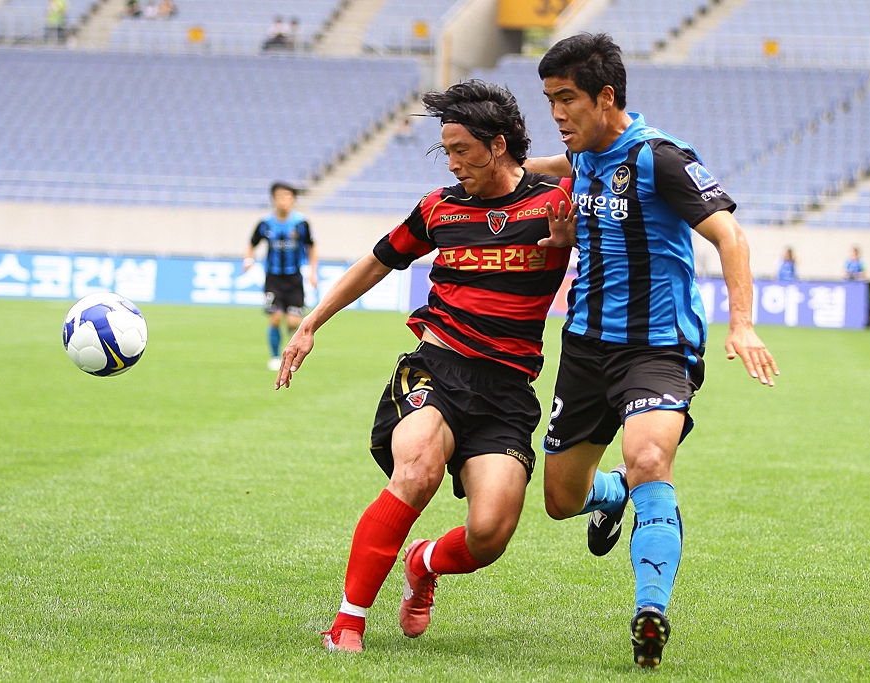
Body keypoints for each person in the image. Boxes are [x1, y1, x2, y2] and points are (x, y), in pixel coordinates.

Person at [276, 80, 573, 653]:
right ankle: (347, 624)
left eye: (462, 150)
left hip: (508, 390)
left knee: (490, 533)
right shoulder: (439, 207)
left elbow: (606, 160)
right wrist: (312, 322)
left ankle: (424, 562)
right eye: (447, 151)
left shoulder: (555, 202)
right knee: (415, 471)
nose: (453, 163)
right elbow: (376, 262)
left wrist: (571, 240)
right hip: (437, 367)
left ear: (498, 145)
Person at [524, 33, 778, 669]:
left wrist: (742, 324)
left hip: (658, 347)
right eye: (549, 99)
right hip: (585, 347)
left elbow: (731, 237)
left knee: (648, 458)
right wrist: (500, 167)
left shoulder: (661, 158)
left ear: (605, 97)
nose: (556, 113)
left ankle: (650, 612)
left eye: (566, 99)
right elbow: (552, 167)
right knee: (561, 500)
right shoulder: (581, 154)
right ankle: (611, 495)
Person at [244, 183, 318, 371]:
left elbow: (311, 247)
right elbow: (252, 243)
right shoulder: (266, 223)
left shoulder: (301, 223)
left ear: (292, 200)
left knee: (293, 323)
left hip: (294, 278)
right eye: (279, 197)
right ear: (273, 200)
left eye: (287, 197)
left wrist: (313, 271)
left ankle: (290, 348)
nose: (283, 201)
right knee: (275, 318)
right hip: (273, 278)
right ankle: (275, 356)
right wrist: (248, 259)